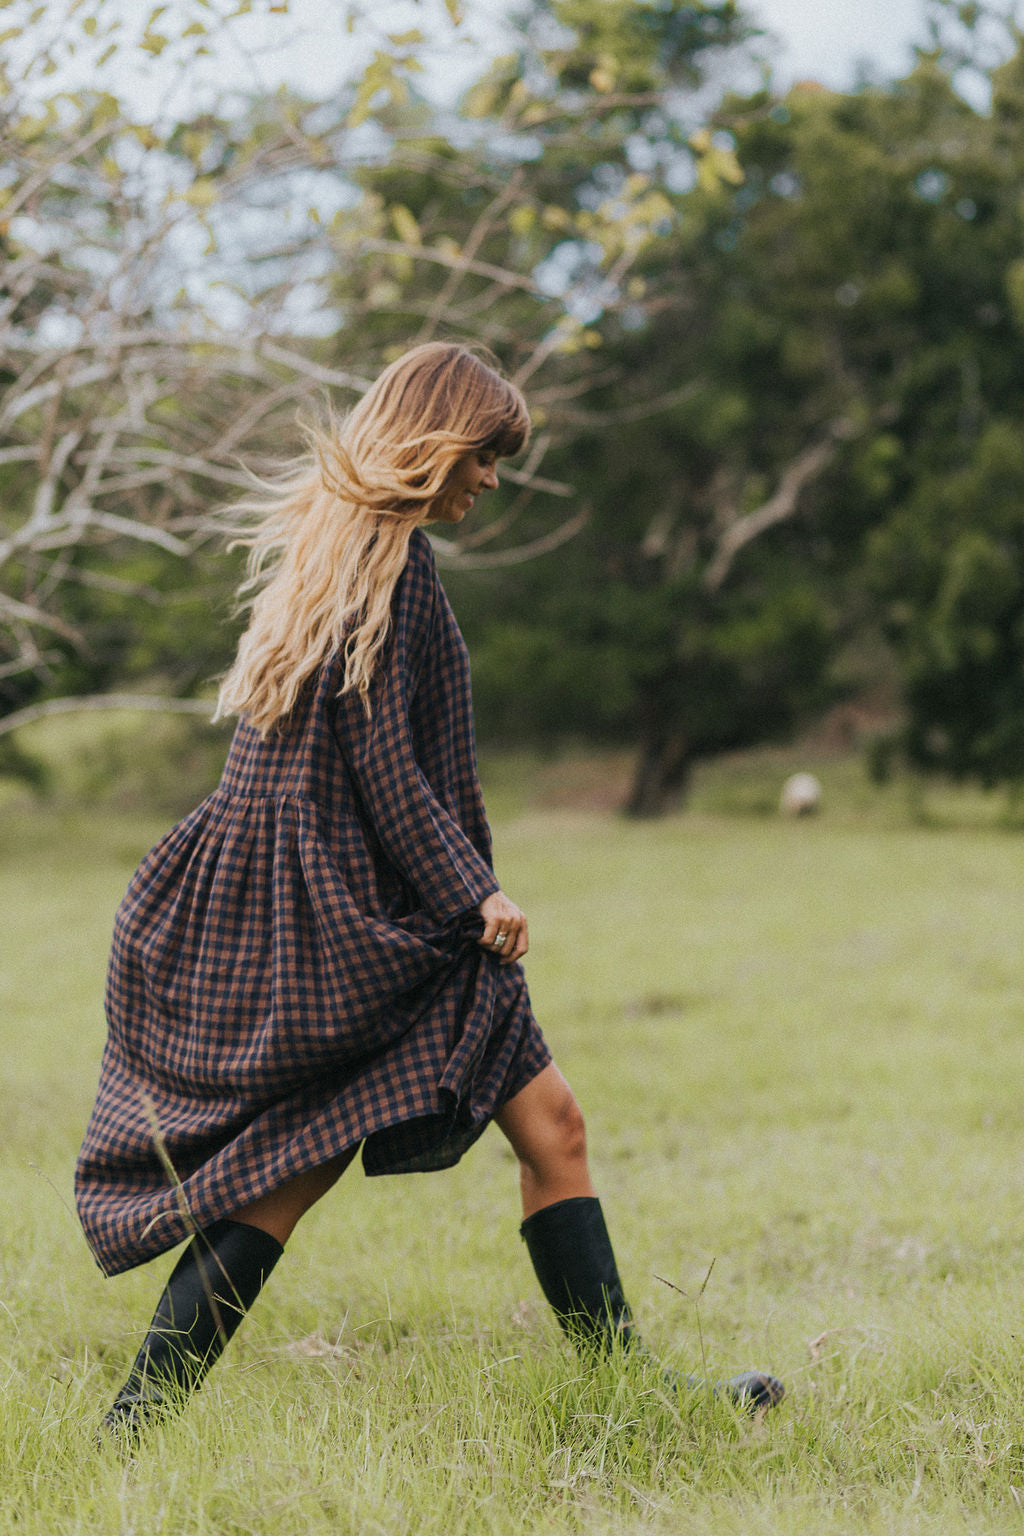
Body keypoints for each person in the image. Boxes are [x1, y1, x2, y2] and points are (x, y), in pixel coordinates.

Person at [75, 341, 784, 1441]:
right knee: (292, 1177)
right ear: (433, 439)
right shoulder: (381, 563)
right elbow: (384, 766)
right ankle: (132, 1426)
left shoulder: (349, 545)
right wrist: (474, 895)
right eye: (484, 454)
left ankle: (627, 1394)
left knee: (543, 1128)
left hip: (348, 905)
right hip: (363, 920)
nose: (491, 479)